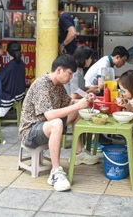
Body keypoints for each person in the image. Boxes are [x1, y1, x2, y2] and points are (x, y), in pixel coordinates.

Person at [19, 54, 100, 192]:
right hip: (31, 131)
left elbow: (68, 103)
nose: (71, 78)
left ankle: (79, 153)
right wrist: (77, 105)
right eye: (69, 74)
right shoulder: (42, 84)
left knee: (78, 111)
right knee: (56, 122)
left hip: (45, 126)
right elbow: (49, 115)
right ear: (59, 70)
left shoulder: (58, 85)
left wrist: (85, 99)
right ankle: (55, 172)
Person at [0, 41, 26, 118]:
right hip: (20, 94)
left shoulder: (9, 66)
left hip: (11, 96)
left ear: (8, 52)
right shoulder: (21, 63)